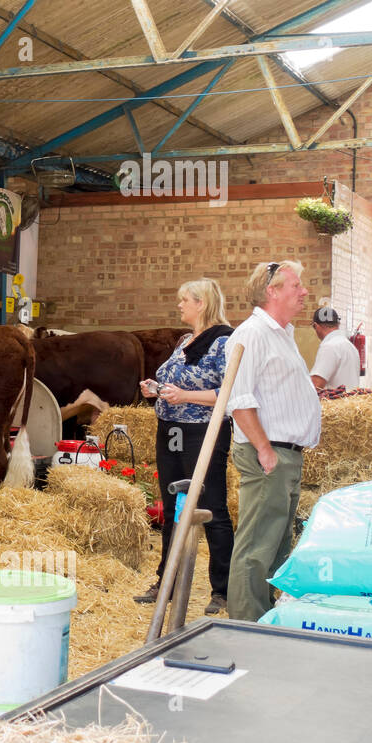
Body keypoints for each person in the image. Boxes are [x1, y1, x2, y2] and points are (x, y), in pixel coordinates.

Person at [225, 261, 322, 622]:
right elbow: (239, 399)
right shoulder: (252, 334)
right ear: (273, 291)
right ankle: (248, 623)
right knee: (256, 545)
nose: (304, 292)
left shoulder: (282, 333)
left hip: (285, 453)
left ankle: (267, 618)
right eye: (296, 285)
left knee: (276, 544)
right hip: (269, 453)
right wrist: (265, 450)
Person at [135, 278, 234, 614]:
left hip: (203, 433)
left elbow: (230, 392)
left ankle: (222, 589)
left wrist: (186, 396)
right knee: (173, 508)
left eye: (184, 300)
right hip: (170, 430)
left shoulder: (224, 341)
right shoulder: (185, 341)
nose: (179, 305)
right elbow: (174, 382)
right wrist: (157, 388)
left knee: (212, 508)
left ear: (201, 303)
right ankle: (168, 580)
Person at [308, 302, 360, 391]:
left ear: (316, 326)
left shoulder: (329, 347)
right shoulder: (349, 346)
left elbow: (316, 384)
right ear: (338, 324)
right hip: (351, 402)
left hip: (336, 403)